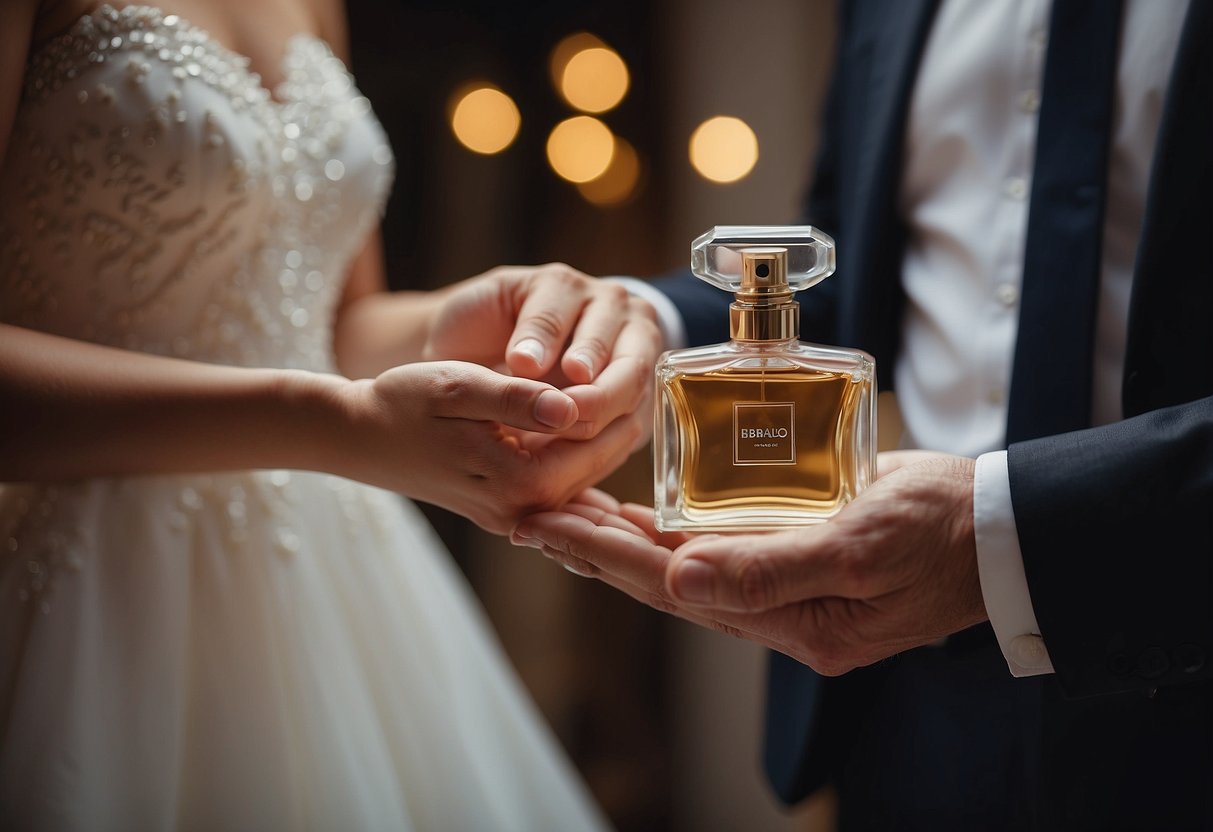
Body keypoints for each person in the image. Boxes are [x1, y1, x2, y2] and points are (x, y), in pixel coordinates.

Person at [515, 0, 1213, 829]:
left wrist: (999, 532)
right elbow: (848, 250)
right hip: (897, 683)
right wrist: (644, 318)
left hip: (1180, 658)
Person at [0, 1, 661, 828]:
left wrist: (471, 321)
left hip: (333, 554)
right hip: (85, 590)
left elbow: (333, 324)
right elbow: (326, 391)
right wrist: (332, 423)